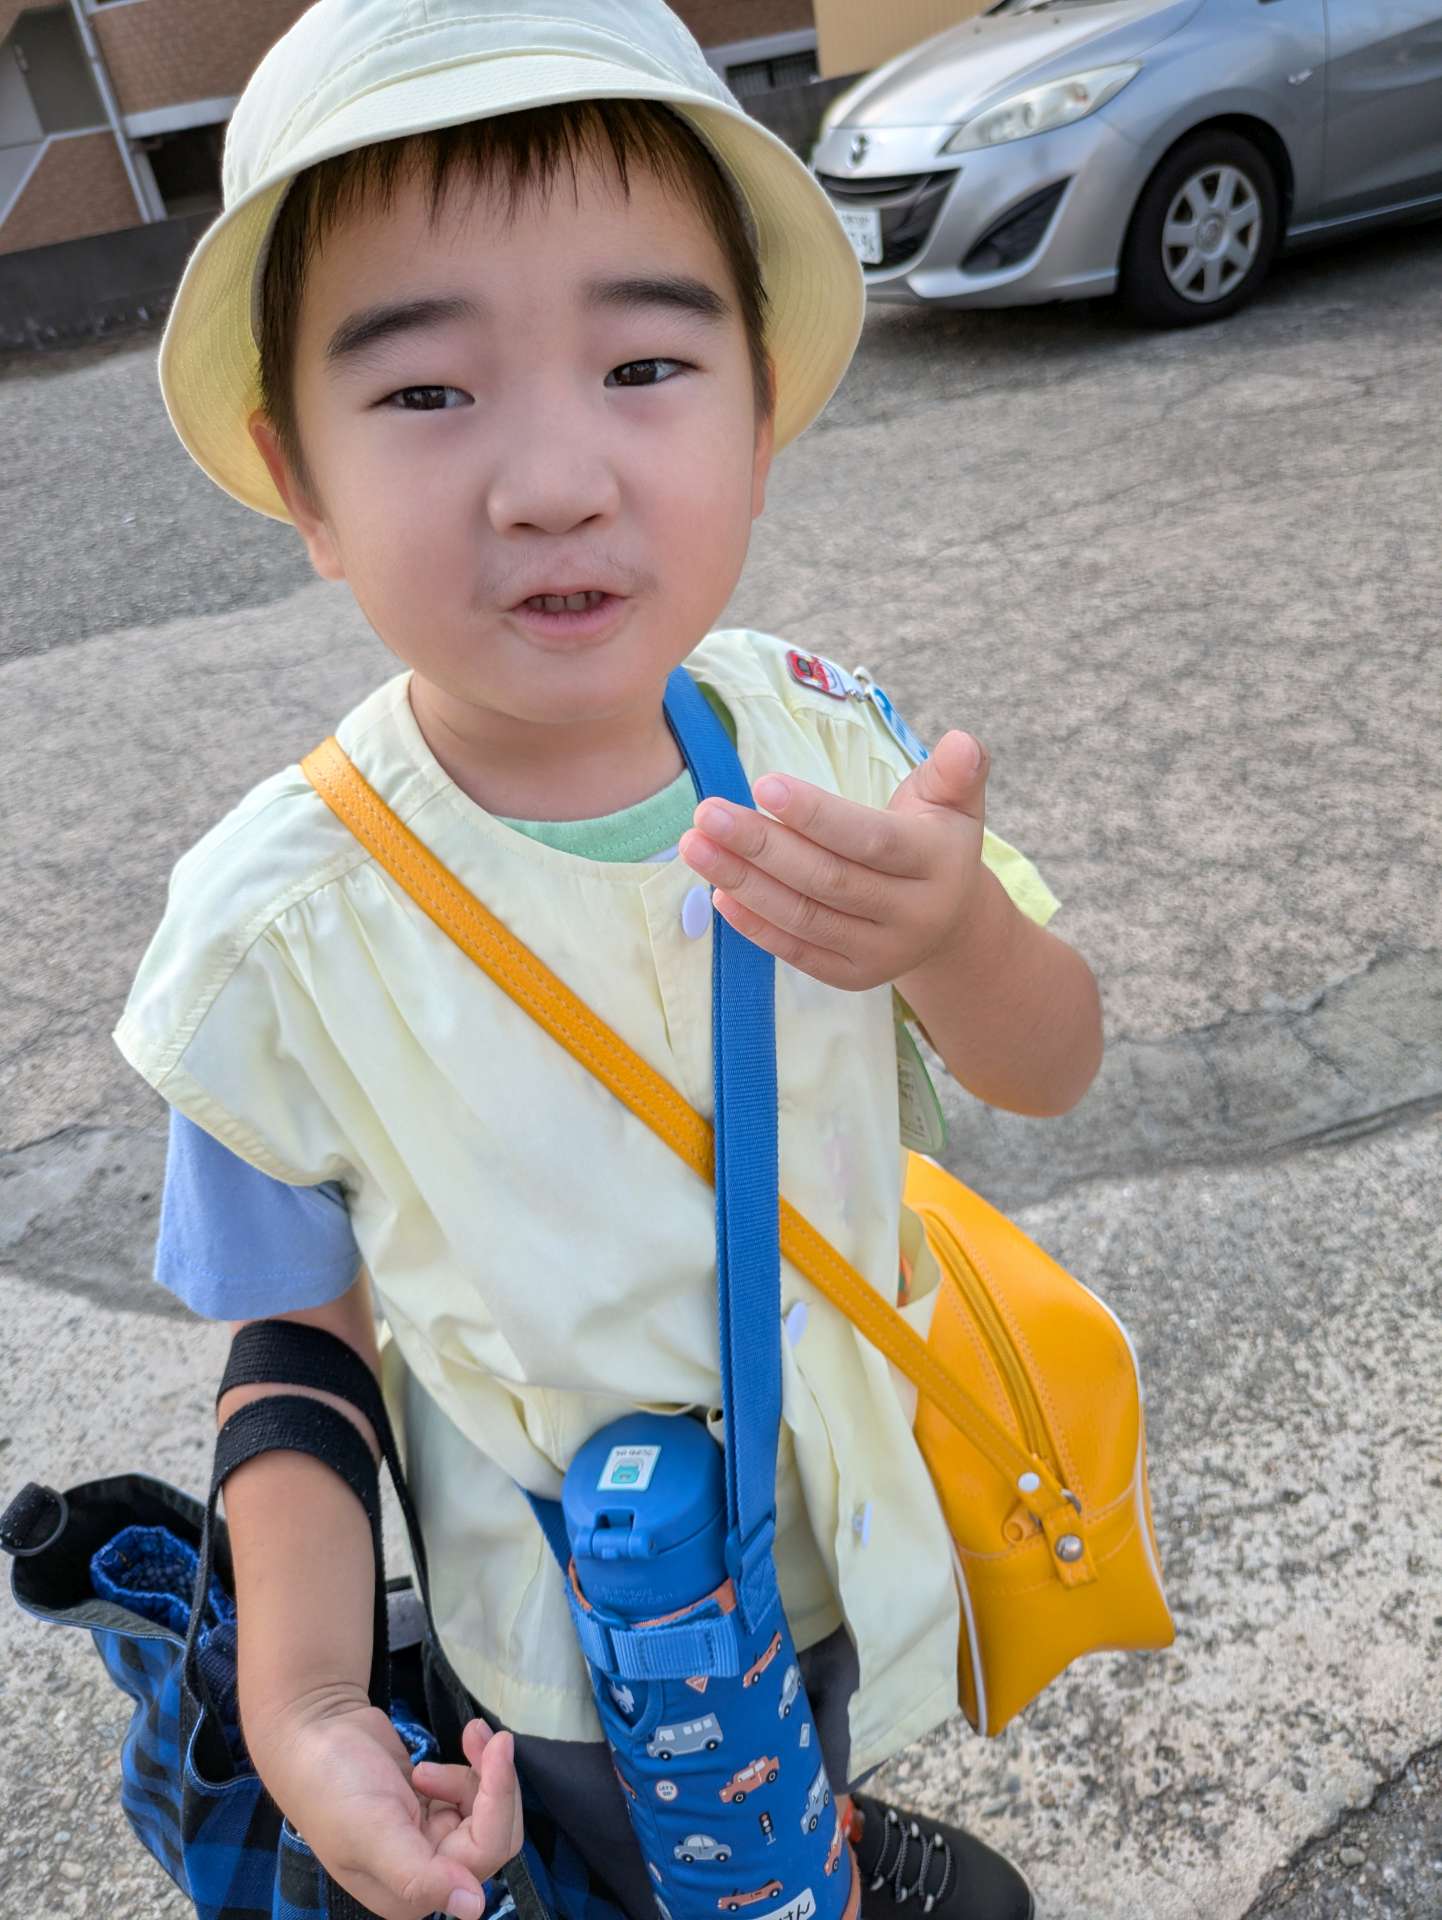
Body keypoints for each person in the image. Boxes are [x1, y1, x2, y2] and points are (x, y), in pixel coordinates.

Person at [117, 4, 1104, 1919]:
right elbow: (292, 1335)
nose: (553, 479)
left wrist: (959, 933)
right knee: (645, 1869)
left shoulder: (827, 739)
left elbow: (1048, 1065)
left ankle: (815, 1838)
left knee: (805, 1775)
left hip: (845, 1525)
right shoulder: (272, 936)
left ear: (760, 412)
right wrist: (307, 1700)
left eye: (645, 364)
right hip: (573, 1647)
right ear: (298, 480)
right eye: (426, 392)